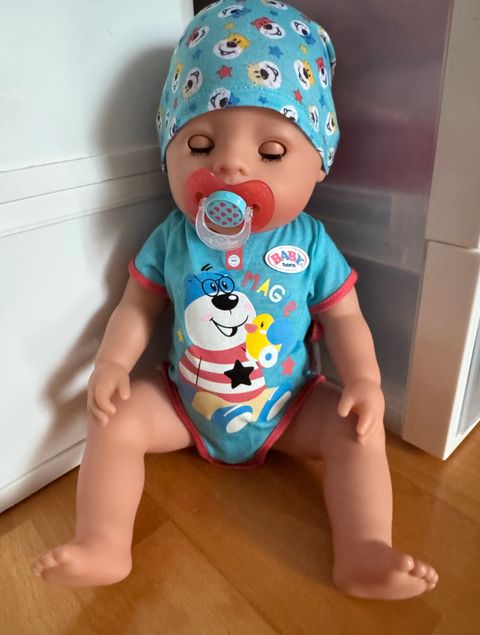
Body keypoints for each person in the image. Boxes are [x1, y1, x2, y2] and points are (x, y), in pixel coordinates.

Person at [32, 0, 438, 598]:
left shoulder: (310, 243)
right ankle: (102, 542)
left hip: (290, 406)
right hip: (184, 403)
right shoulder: (174, 237)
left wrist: (366, 381)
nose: (229, 164)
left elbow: (345, 316)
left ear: (319, 165)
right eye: (199, 145)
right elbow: (137, 306)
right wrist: (112, 364)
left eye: (271, 154)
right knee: (116, 422)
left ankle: (364, 549)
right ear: (168, 152)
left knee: (356, 432)